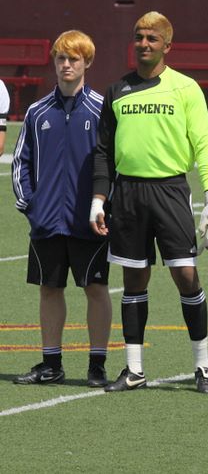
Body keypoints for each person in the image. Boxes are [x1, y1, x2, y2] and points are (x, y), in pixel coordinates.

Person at [90, 12, 208, 393]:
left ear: (168, 45)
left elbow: (204, 143)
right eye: (139, 37)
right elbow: (103, 152)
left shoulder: (185, 88)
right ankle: (134, 370)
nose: (143, 44)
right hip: (128, 195)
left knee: (186, 276)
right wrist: (98, 201)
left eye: (152, 38)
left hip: (170, 191)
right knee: (134, 278)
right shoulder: (117, 90)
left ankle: (203, 368)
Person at [11, 31, 111, 387]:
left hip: (89, 222)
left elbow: (115, 164)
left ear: (87, 62)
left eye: (74, 59)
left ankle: (97, 365)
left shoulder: (102, 110)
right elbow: (20, 162)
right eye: (61, 58)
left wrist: (103, 206)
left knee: (95, 288)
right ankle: (51, 364)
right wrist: (31, 204)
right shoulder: (37, 112)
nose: (66, 65)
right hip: (47, 221)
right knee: (49, 289)